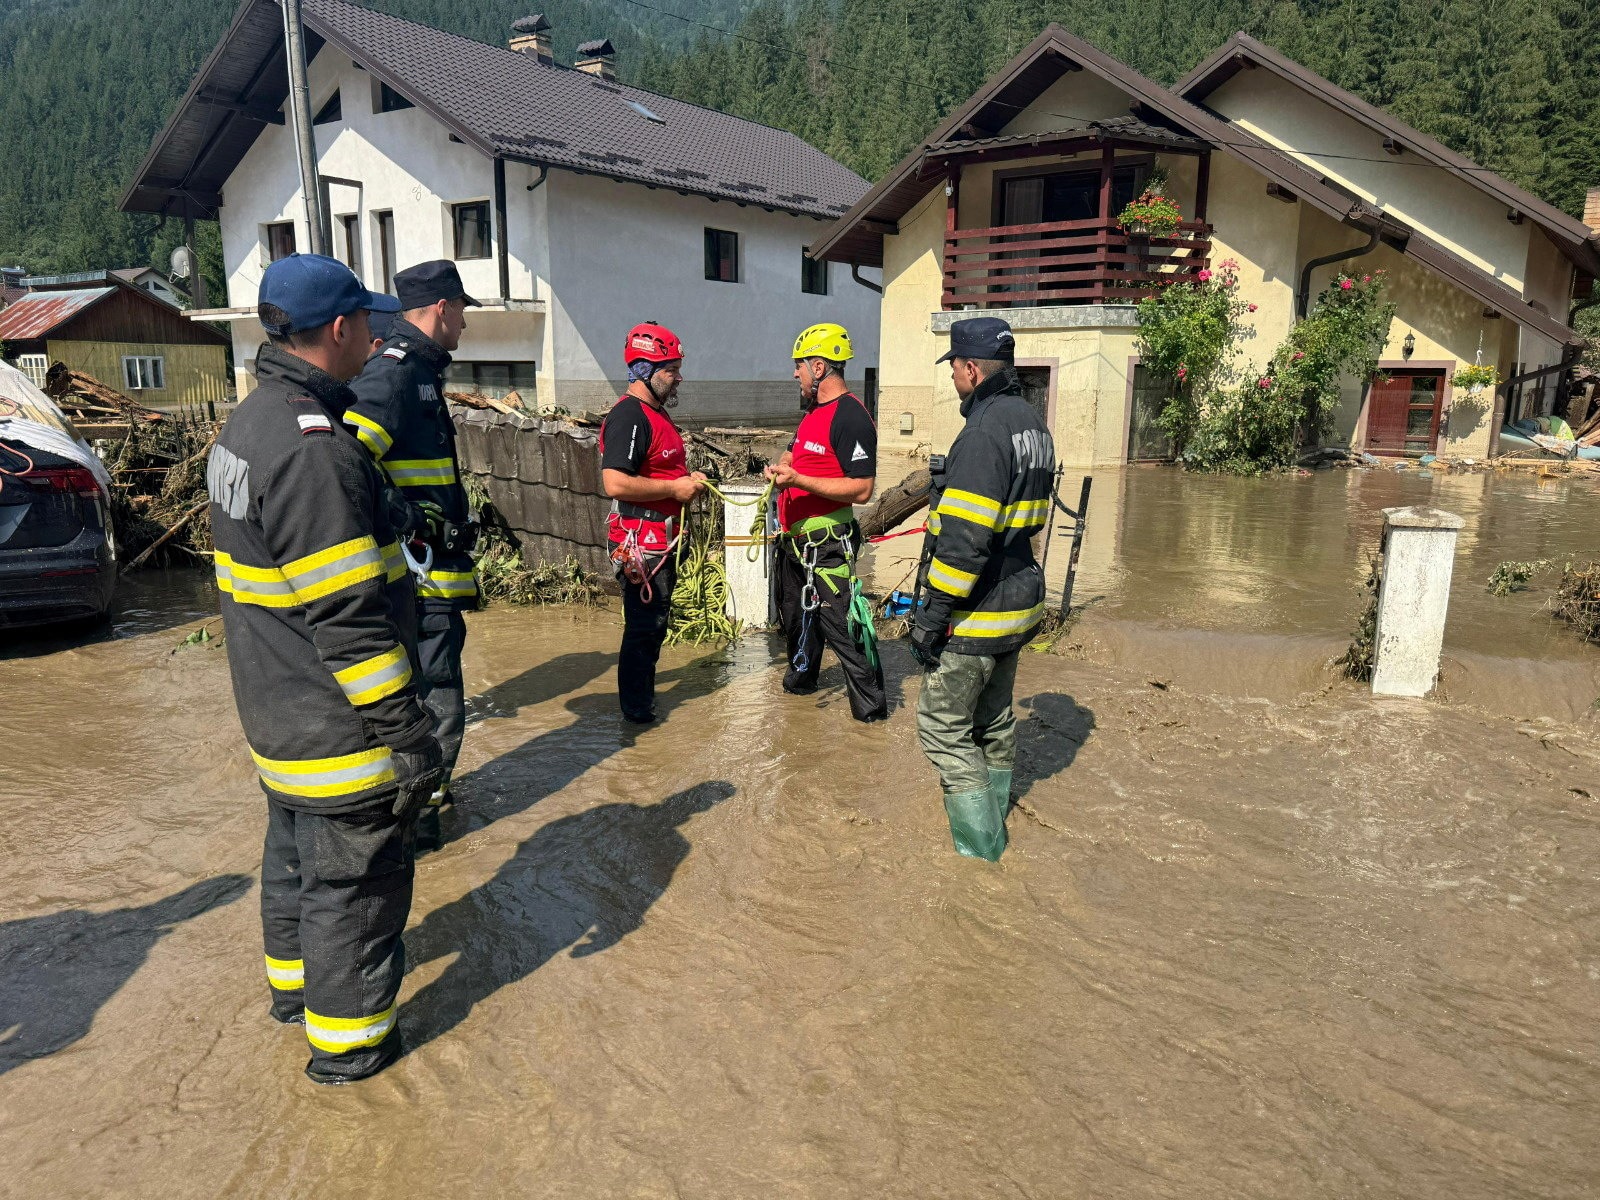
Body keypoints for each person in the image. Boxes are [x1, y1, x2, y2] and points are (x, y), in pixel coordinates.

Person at [205, 253, 442, 1083]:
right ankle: (350, 1051)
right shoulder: (312, 453)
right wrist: (411, 738)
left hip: (276, 716)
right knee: (354, 885)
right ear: (340, 330)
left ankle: (293, 999)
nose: (378, 336)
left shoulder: (248, 424)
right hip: (338, 726)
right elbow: (350, 622)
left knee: (295, 863)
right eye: (369, 324)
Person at [909, 317, 1055, 861]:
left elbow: (964, 543)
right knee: (993, 719)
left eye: (954, 370)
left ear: (971, 369)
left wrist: (930, 619)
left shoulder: (983, 432)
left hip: (978, 609)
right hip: (1020, 600)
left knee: (943, 729)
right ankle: (995, 815)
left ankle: (981, 853)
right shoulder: (1031, 422)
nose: (953, 381)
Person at [345, 261, 480, 846]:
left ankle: (426, 808)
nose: (466, 324)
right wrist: (405, 519)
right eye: (463, 311)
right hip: (418, 579)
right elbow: (347, 464)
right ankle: (418, 827)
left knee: (437, 693)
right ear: (443, 308)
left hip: (432, 576)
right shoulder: (396, 375)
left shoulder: (420, 372)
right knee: (438, 696)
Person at [765, 323, 887, 722]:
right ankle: (798, 699)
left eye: (798, 366)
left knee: (842, 632)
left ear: (818, 368)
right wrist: (782, 467)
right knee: (797, 622)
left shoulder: (851, 417)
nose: (794, 373)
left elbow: (862, 488)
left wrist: (798, 479)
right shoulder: (812, 414)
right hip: (795, 546)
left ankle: (871, 715)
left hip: (827, 547)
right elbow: (792, 455)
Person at [598, 323, 706, 723]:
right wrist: (674, 490)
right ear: (644, 369)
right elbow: (615, 481)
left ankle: (640, 705)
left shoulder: (652, 414)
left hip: (658, 538)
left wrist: (685, 483)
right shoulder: (629, 416)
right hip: (642, 543)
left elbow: (662, 471)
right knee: (645, 628)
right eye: (671, 370)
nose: (678, 378)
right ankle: (637, 715)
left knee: (653, 626)